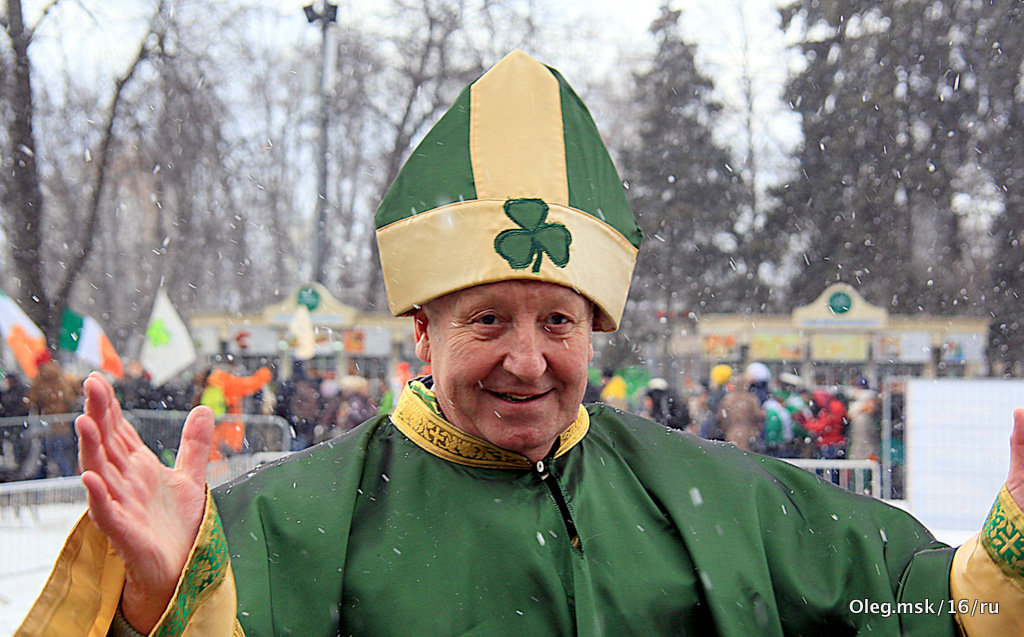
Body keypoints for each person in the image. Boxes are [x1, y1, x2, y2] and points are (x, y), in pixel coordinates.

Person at [18, 50, 1024, 637]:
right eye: (487, 318)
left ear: (598, 328)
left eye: (558, 320)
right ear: (422, 327)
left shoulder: (723, 499)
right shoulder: (281, 527)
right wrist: (161, 599)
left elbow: (904, 601)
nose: (528, 359)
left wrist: (1012, 546)